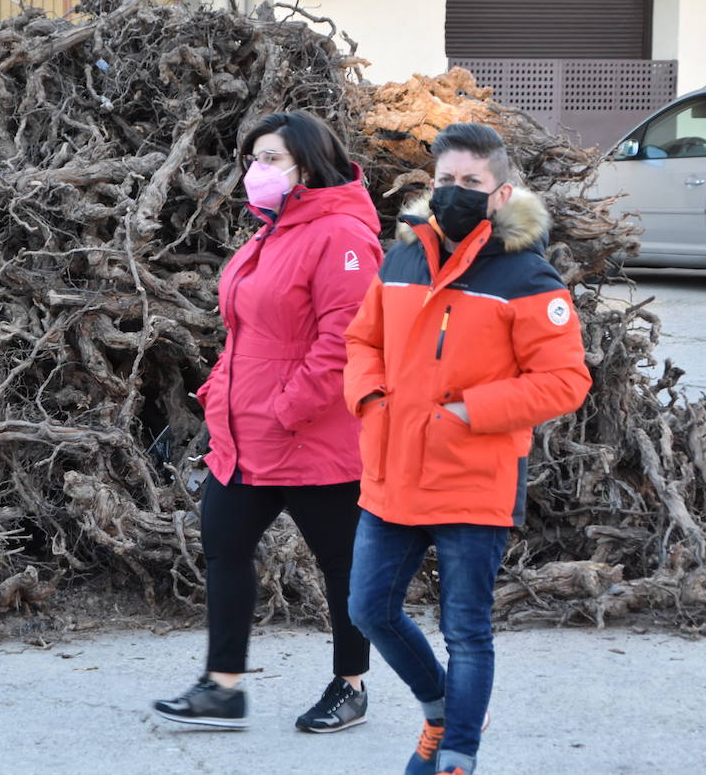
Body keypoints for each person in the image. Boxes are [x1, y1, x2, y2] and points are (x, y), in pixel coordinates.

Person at [343, 122, 592, 775]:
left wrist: (471, 410)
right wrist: (370, 397)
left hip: (474, 477)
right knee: (368, 608)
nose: (453, 192)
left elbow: (566, 380)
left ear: (501, 193)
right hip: (394, 470)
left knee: (466, 634)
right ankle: (440, 710)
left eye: (470, 182)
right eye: (444, 180)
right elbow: (361, 341)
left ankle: (455, 756)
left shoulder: (527, 276)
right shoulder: (400, 256)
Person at [152, 111, 383, 733]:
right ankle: (223, 688)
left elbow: (347, 339)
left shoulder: (342, 235)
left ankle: (351, 685)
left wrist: (288, 409)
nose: (257, 170)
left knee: (341, 564)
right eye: (252, 158)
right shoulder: (269, 234)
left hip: (314, 438)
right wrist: (217, 390)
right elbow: (247, 332)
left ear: (307, 165)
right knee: (225, 549)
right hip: (244, 432)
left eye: (271, 158)